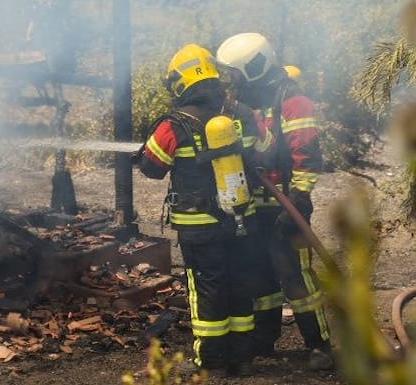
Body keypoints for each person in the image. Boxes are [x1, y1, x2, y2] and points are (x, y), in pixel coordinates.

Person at [136, 44, 258, 376]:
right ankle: (242, 357)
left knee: (206, 288)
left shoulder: (174, 124)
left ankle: (211, 362)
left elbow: (152, 167)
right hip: (239, 218)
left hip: (198, 224)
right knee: (237, 283)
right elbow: (259, 155)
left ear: (181, 81)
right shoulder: (240, 113)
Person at [216, 32, 334, 371]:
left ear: (253, 68)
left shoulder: (292, 101)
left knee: (294, 276)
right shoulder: (241, 100)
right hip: (252, 203)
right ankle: (263, 340)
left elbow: (307, 155)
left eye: (234, 73)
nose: (230, 80)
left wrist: (299, 197)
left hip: (285, 205)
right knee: (258, 275)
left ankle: (319, 344)